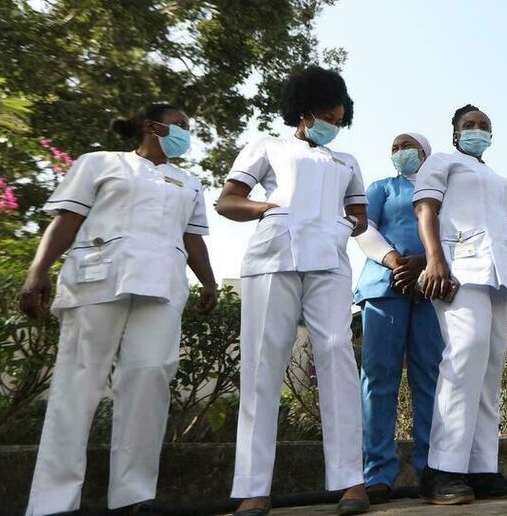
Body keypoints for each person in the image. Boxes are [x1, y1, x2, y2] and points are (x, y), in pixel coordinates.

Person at [21, 103, 218, 516]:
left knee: (150, 379)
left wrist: (210, 284)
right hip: (98, 280)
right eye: (181, 125)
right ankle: (53, 503)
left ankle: (134, 496)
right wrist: (37, 271)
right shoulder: (99, 163)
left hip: (162, 287)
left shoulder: (189, 182)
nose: (187, 133)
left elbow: (193, 240)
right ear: (152, 126)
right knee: (78, 385)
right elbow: (67, 221)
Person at [216, 66, 370, 516]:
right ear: (304, 112)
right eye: (327, 116)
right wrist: (269, 208)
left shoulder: (347, 162)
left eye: (340, 120)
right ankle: (253, 487)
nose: (333, 126)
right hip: (273, 256)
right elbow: (228, 200)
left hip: (330, 259)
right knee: (263, 361)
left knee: (338, 352)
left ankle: (350, 482)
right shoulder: (268, 146)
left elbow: (358, 212)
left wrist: (349, 223)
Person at [413, 104, 507, 505]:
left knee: (490, 368)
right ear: (455, 132)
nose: (477, 130)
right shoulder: (442, 163)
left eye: (484, 126)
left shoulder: (501, 181)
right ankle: (441, 469)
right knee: (464, 357)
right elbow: (425, 209)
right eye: (469, 125)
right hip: (459, 269)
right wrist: (434, 260)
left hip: (501, 277)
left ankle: (481, 467)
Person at [351, 133, 444, 503]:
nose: (400, 152)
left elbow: (448, 234)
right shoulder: (381, 188)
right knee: (378, 378)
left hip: (430, 289)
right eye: (394, 147)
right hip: (383, 287)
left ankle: (431, 469)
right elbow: (362, 227)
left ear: (426, 152)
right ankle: (377, 473)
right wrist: (395, 261)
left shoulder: (442, 190)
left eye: (408, 146)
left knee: (431, 379)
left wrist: (424, 264)